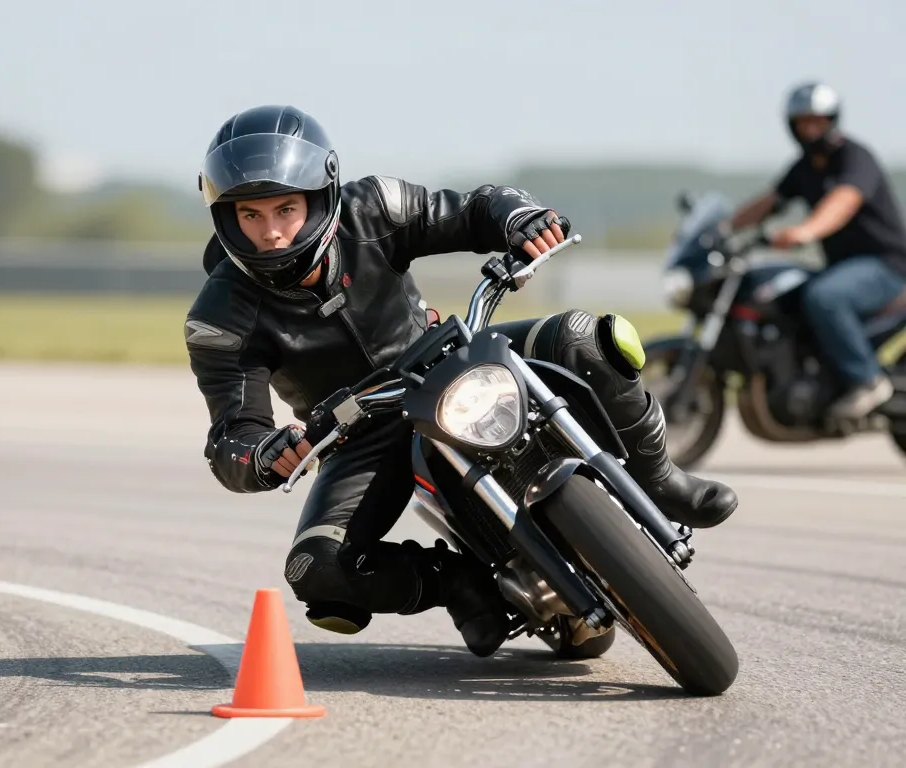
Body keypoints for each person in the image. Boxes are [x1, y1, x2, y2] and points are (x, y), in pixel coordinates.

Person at [185, 104, 738, 658]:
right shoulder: (219, 317)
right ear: (224, 217)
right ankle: (457, 583)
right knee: (316, 568)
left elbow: (473, 209)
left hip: (450, 357)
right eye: (250, 216)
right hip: (360, 430)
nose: (274, 233)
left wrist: (519, 219)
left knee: (586, 336)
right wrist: (262, 454)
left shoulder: (373, 207)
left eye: (286, 208)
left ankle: (661, 480)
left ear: (321, 197)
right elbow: (232, 434)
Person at [724, 81, 906, 420]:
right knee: (792, 292)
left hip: (886, 266)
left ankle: (867, 380)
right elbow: (769, 201)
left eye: (817, 121)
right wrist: (723, 228)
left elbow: (844, 201)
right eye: (802, 122)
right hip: (843, 267)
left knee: (825, 297)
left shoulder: (854, 157)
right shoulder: (805, 166)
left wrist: (805, 230)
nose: (810, 128)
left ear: (832, 120)